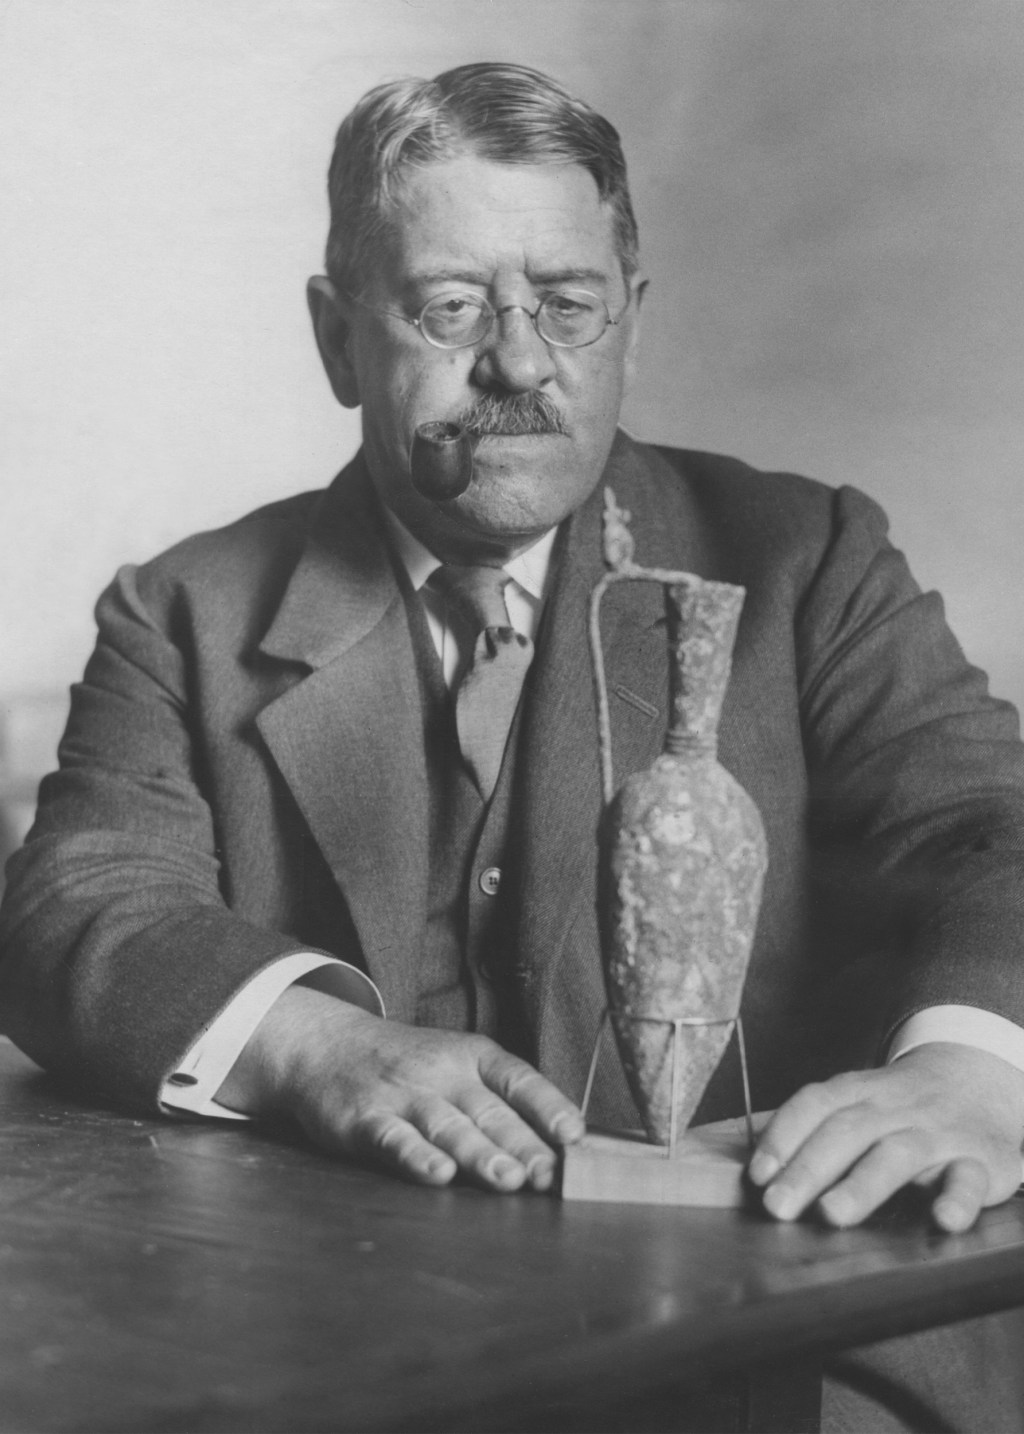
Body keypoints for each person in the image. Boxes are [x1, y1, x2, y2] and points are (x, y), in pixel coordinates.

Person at [3, 61, 1024, 1429]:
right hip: (335, 1349)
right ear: (334, 337)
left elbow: (988, 826)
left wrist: (967, 1066)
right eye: (450, 308)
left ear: (632, 325)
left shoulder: (808, 563)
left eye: (567, 304)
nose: (520, 362)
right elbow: (74, 907)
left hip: (762, 1340)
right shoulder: (185, 613)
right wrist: (318, 1050)